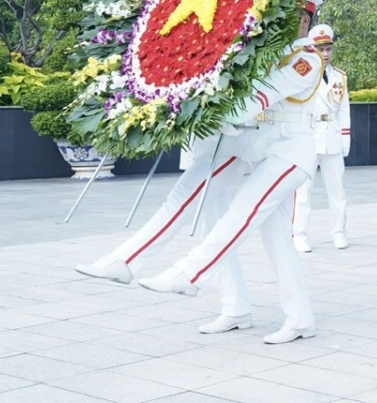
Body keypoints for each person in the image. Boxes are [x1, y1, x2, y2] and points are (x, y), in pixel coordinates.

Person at [137, 34, 325, 344]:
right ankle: (282, 316)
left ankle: (190, 273)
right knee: (278, 242)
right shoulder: (263, 51)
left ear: (304, 20)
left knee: (242, 212)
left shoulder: (307, 58)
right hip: (266, 151)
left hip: (291, 153)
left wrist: (204, 110)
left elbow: (257, 98)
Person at [75, 131, 255, 334]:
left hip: (231, 147)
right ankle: (236, 307)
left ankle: (124, 261)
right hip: (210, 147)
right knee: (214, 231)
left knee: (178, 202)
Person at [292, 24, 351, 252]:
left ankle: (339, 232)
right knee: (303, 191)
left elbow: (344, 110)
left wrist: (345, 139)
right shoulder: (301, 73)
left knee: (337, 190)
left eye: (328, 49)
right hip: (308, 135)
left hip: (332, 135)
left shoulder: (339, 77)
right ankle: (299, 233)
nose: (325, 54)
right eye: (320, 49)